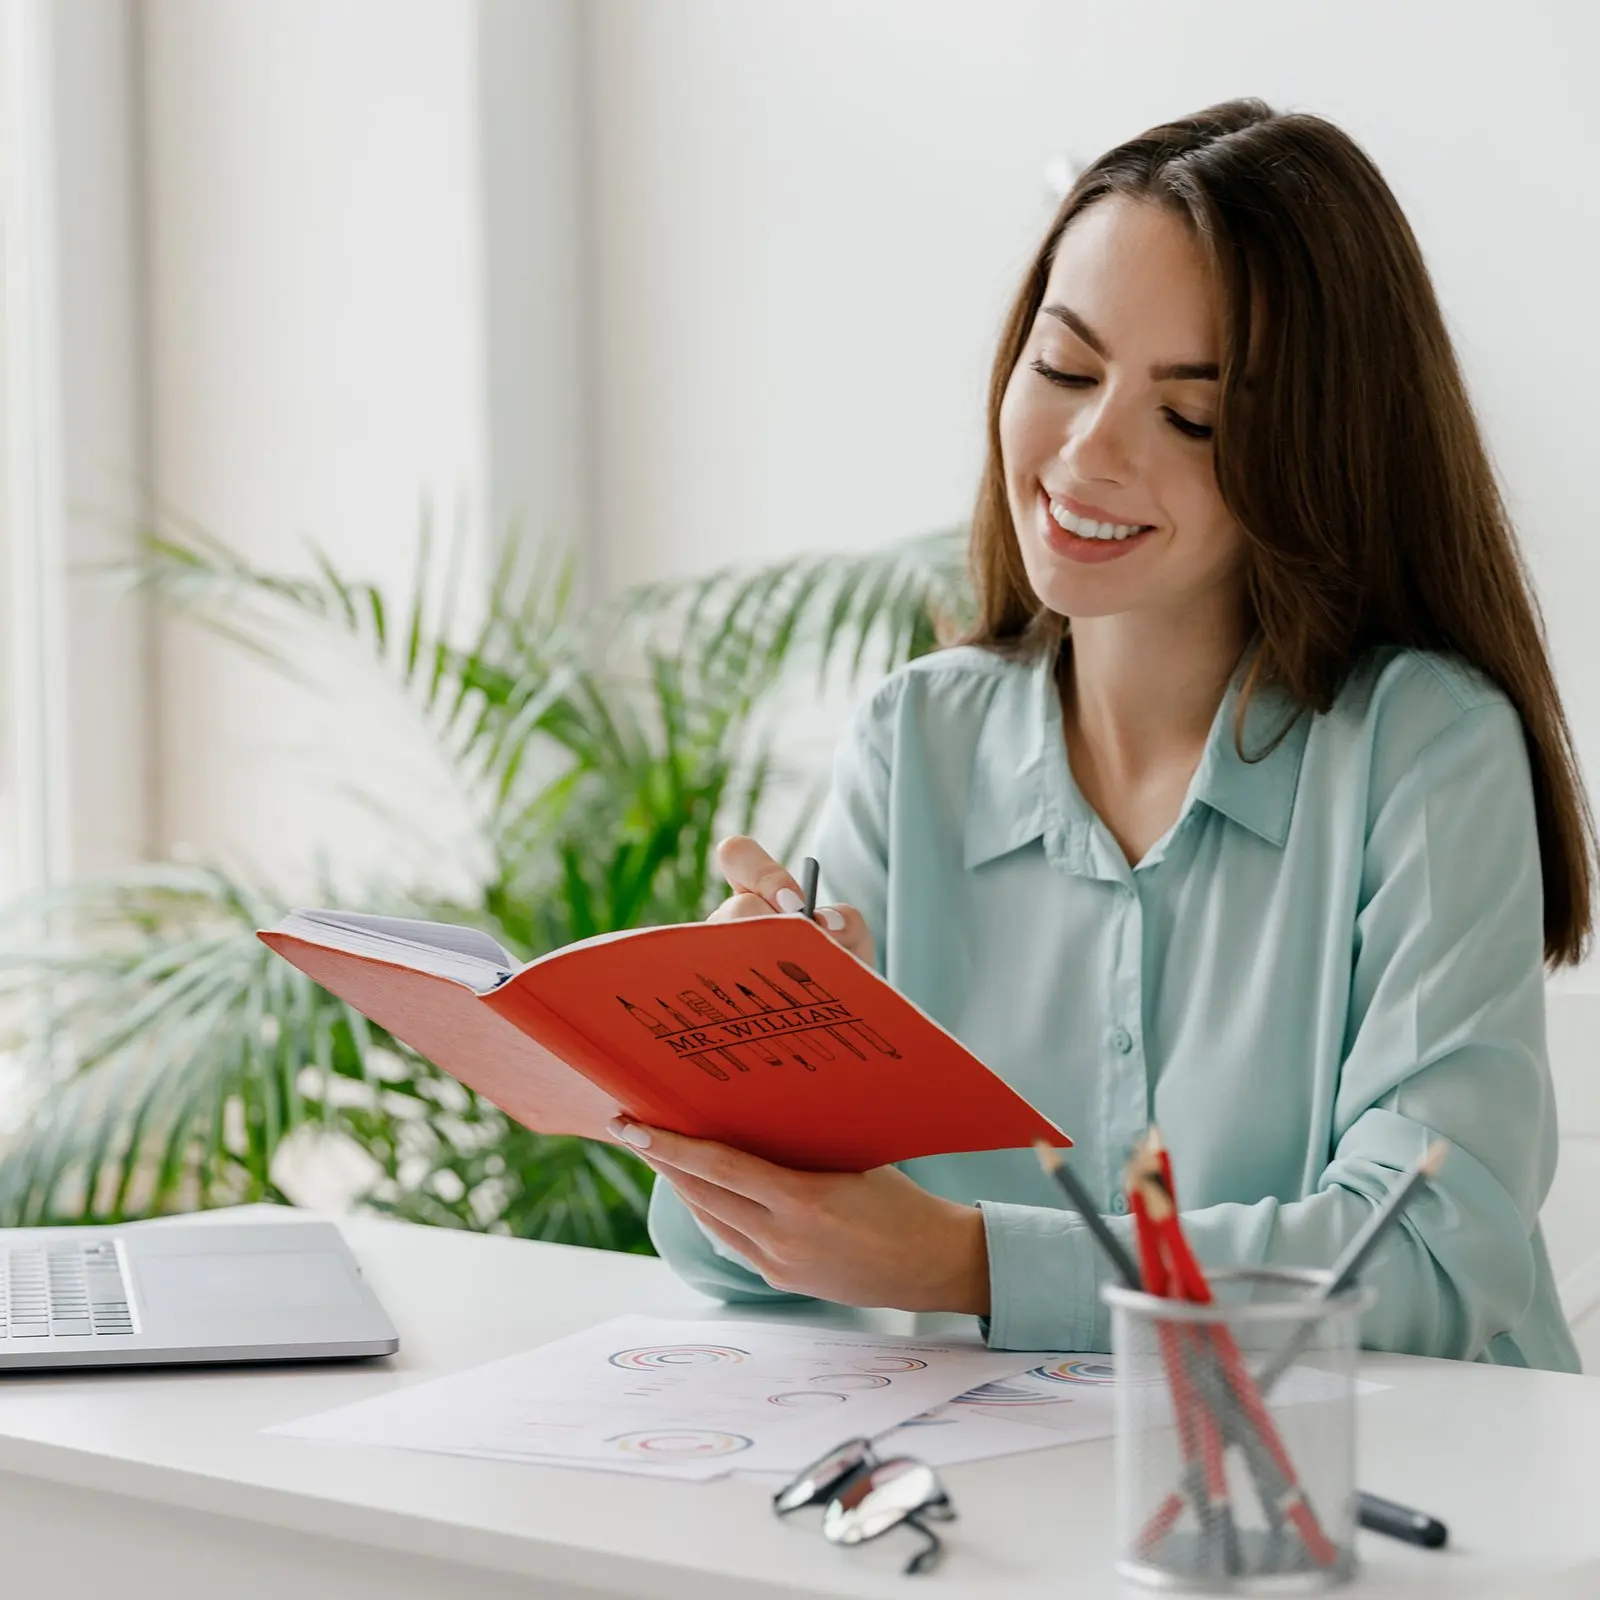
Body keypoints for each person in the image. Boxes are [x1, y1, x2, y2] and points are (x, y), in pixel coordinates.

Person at [614, 98, 1590, 1369]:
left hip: (1413, 1513)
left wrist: (962, 1261)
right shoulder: (917, 739)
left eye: (1189, 417)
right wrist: (746, 1068)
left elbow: (1427, 1255)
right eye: (1064, 369)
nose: (1086, 451)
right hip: (1037, 1503)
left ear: (1312, 455)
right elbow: (727, 1258)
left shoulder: (1424, 750)